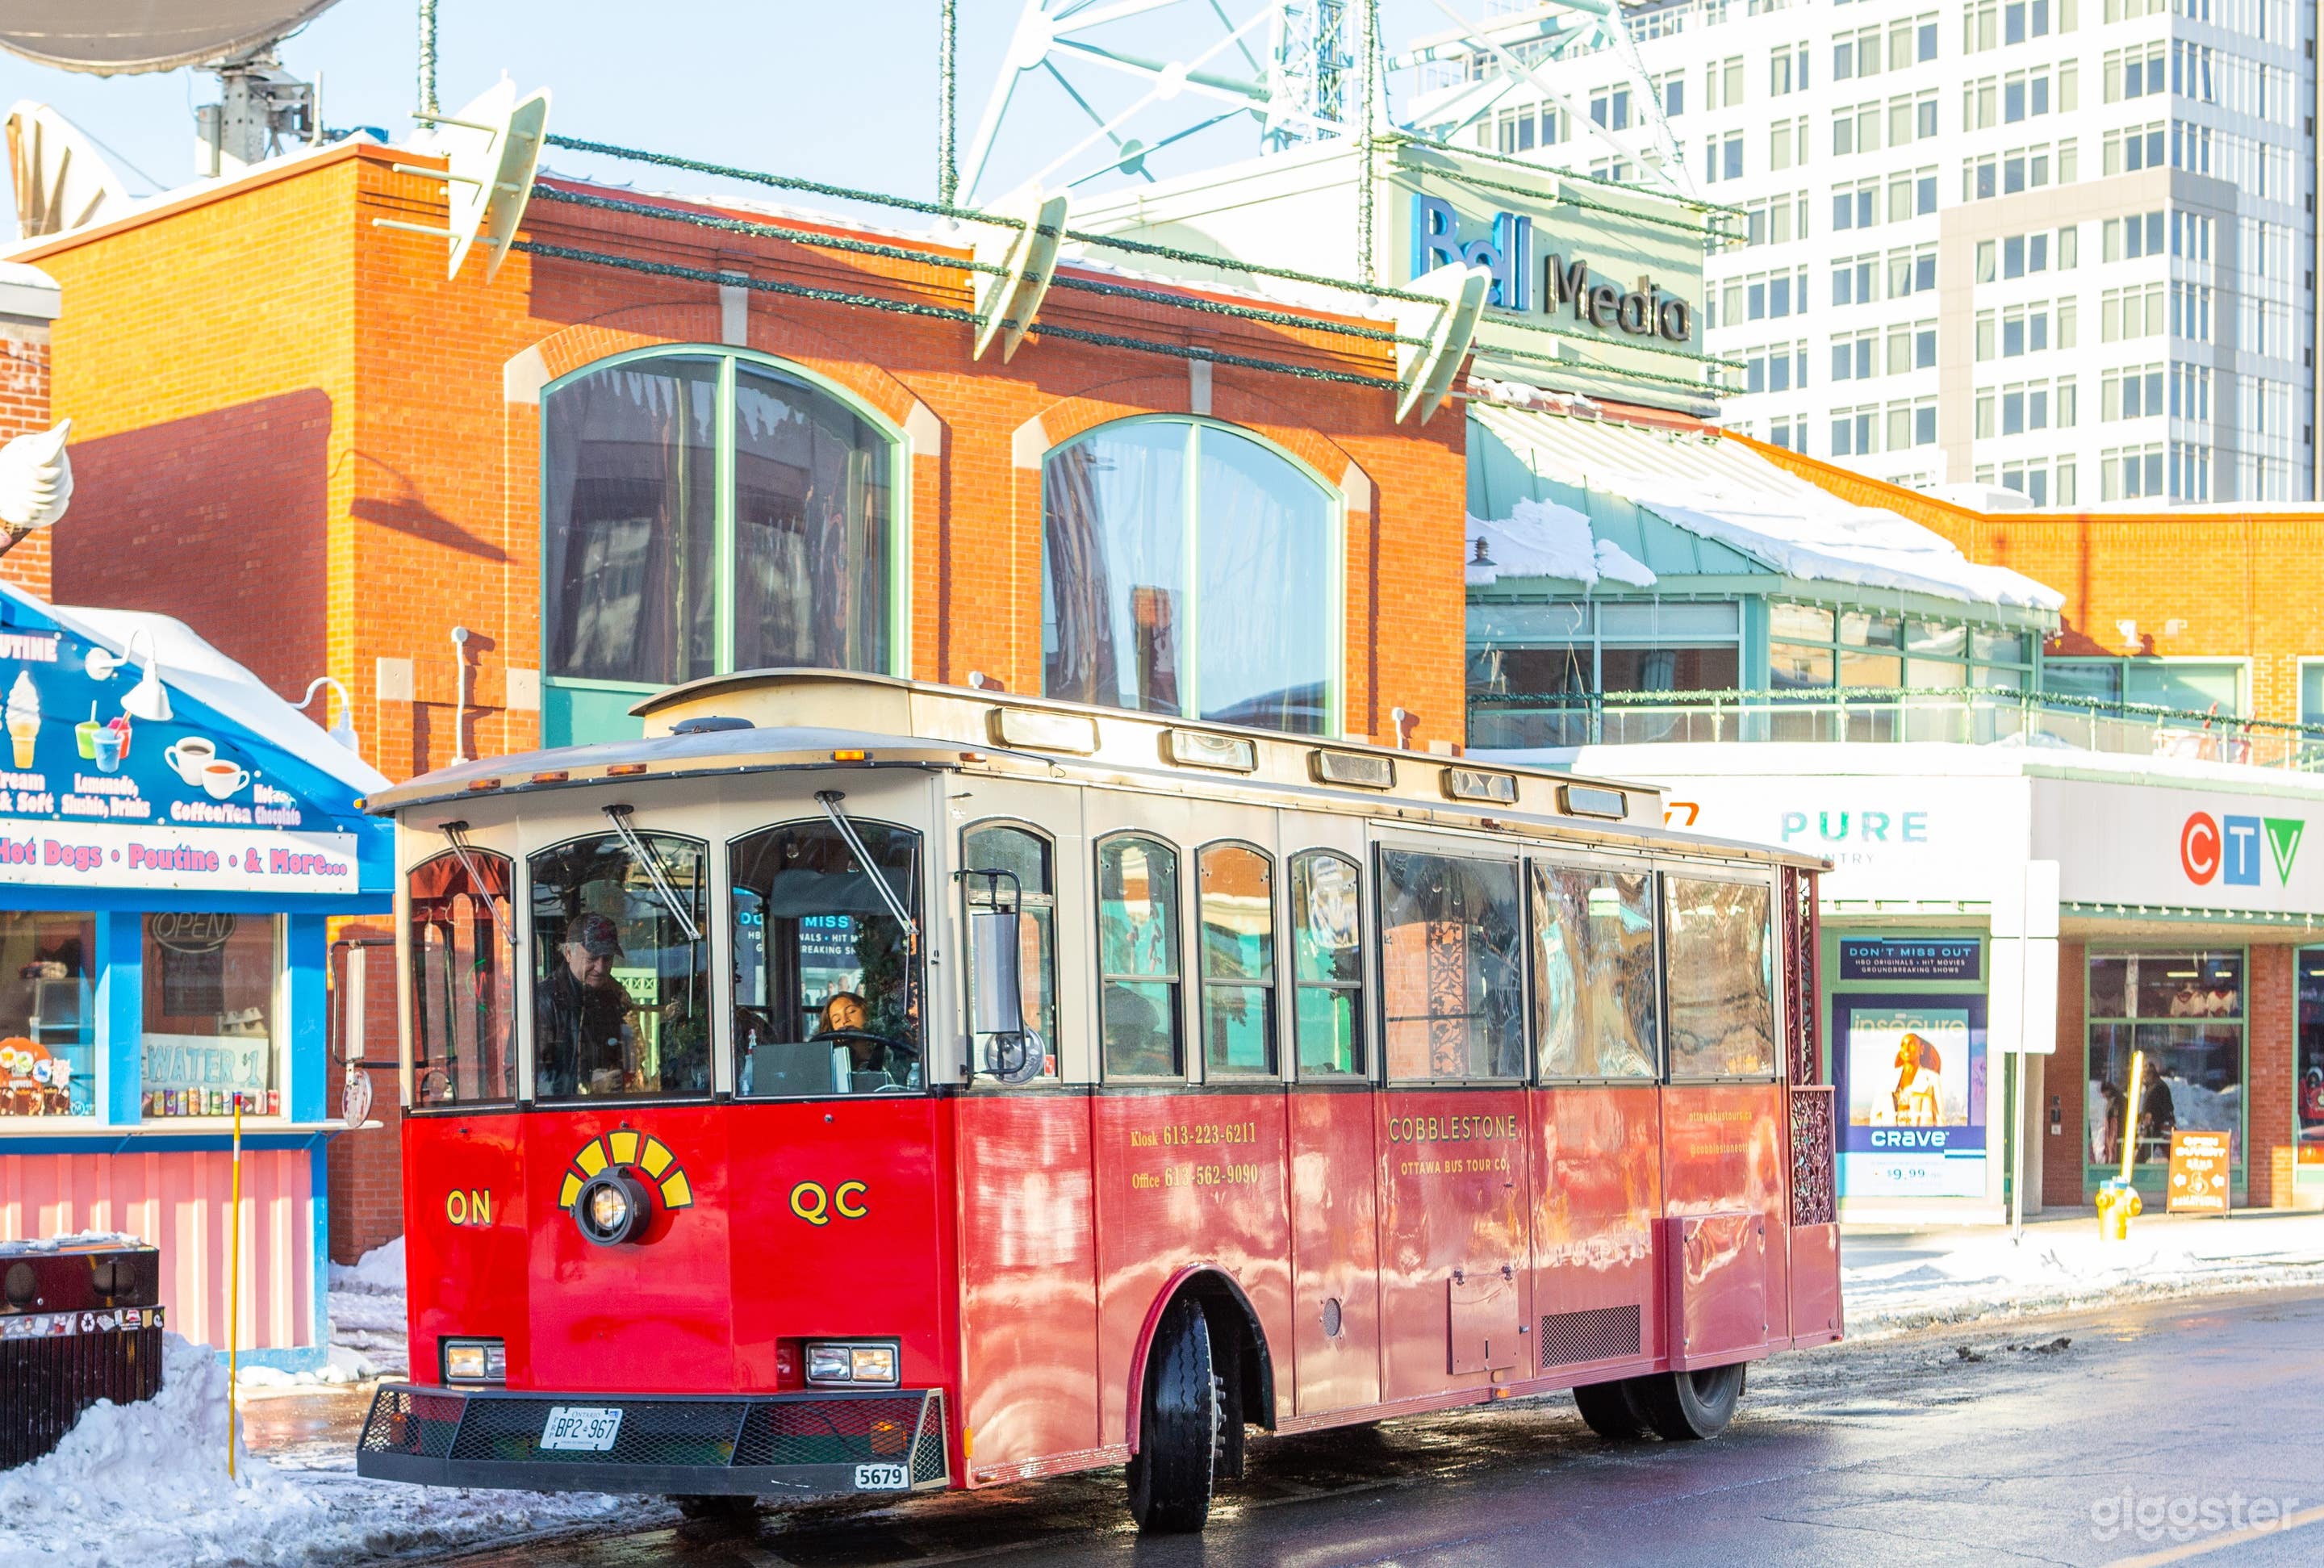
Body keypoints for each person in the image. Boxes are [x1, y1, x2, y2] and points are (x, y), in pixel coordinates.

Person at [534, 913, 640, 1098]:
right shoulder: (544, 1001)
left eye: (607, 959)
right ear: (568, 953)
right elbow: (526, 1080)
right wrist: (586, 1086)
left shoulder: (614, 997)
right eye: (592, 958)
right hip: (563, 1120)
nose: (600, 968)